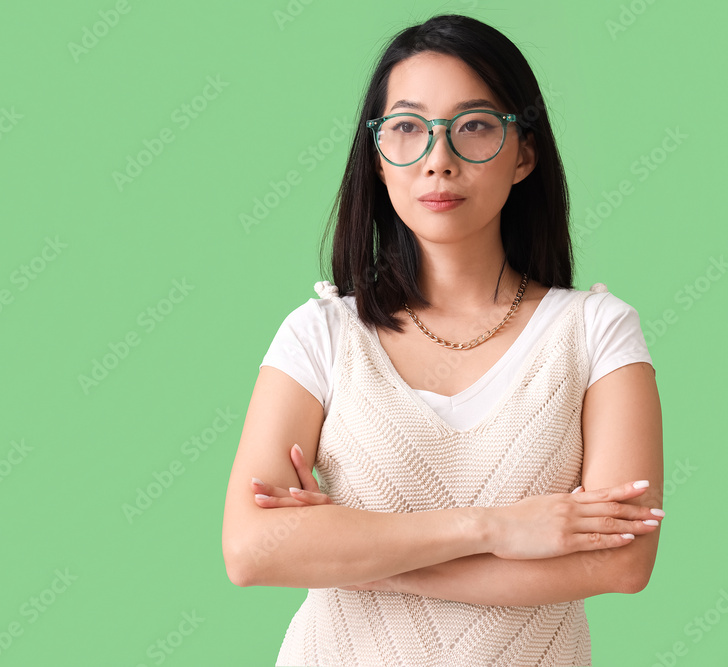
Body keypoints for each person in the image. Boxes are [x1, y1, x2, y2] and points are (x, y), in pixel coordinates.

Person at [221, 13, 664, 667]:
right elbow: (251, 549)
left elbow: (622, 562)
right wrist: (498, 528)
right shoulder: (320, 333)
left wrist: (355, 555)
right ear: (377, 156)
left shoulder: (598, 332)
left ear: (525, 153)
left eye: (475, 126)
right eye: (406, 128)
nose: (439, 160)